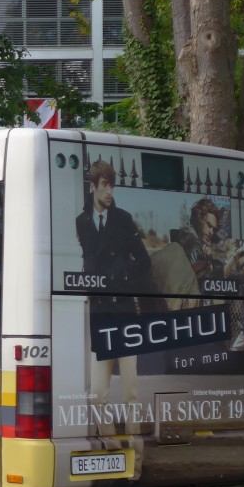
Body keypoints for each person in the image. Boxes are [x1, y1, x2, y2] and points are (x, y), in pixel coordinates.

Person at [74, 160, 151, 433]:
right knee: (97, 395)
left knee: (130, 393)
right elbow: (88, 261)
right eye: (104, 185)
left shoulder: (123, 219)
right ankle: (113, 447)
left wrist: (120, 276)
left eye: (112, 185)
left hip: (125, 315)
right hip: (101, 315)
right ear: (93, 186)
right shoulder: (82, 222)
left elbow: (144, 262)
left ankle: (136, 460)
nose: (109, 191)